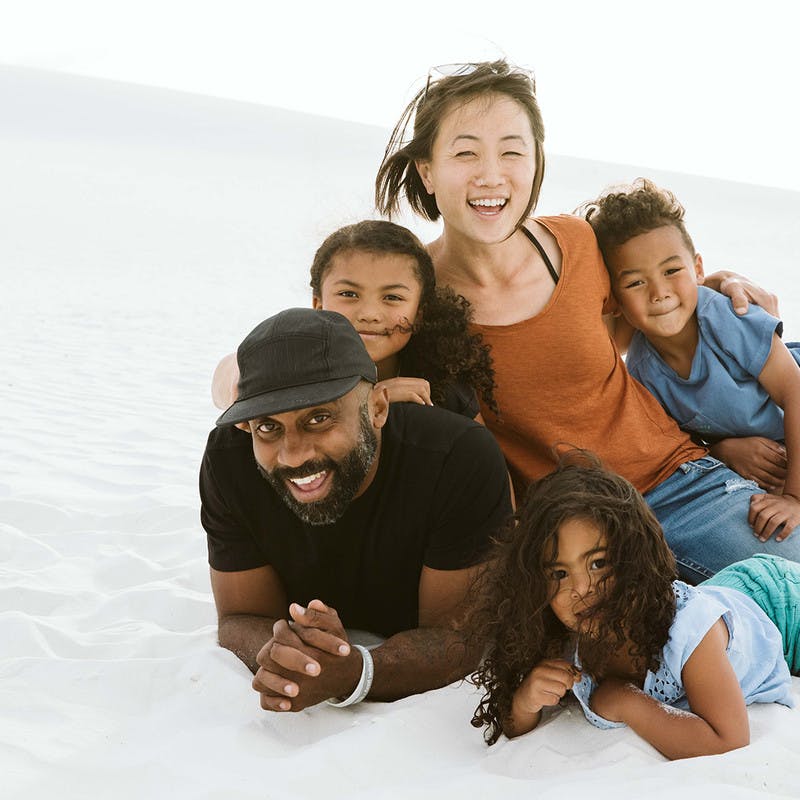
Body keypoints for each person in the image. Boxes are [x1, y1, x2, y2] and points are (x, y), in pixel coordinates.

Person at [375, 59, 800, 580]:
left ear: (535, 163)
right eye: (466, 152)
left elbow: (654, 301)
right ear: (427, 171)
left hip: (682, 484)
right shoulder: (412, 296)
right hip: (575, 541)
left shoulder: (575, 243)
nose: (491, 174)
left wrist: (718, 283)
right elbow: (325, 355)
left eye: (513, 150)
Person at [200, 307, 512, 712]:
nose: (294, 455)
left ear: (378, 407)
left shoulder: (458, 458)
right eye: (268, 427)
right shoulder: (230, 461)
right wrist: (295, 656)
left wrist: (356, 672)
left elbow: (459, 639)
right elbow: (240, 619)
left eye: (318, 418)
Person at [469, 452, 797, 759]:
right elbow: (512, 724)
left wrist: (628, 702)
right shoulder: (568, 639)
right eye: (559, 573)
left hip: (781, 604)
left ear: (635, 558)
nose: (581, 588)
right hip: (731, 598)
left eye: (598, 563)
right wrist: (525, 703)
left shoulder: (689, 631)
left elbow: (729, 739)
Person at [581, 178, 800, 542]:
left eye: (671, 271)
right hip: (774, 447)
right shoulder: (641, 370)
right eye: (636, 283)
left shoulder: (721, 316)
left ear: (698, 270)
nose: (659, 292)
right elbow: (684, 432)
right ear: (615, 299)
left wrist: (794, 498)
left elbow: (794, 391)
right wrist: (721, 449)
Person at [211, 219, 496, 421]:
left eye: (392, 298)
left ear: (419, 314)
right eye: (349, 293)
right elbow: (227, 382)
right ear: (318, 306)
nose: (369, 313)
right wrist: (368, 399)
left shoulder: (442, 388)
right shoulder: (296, 362)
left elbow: (488, 477)